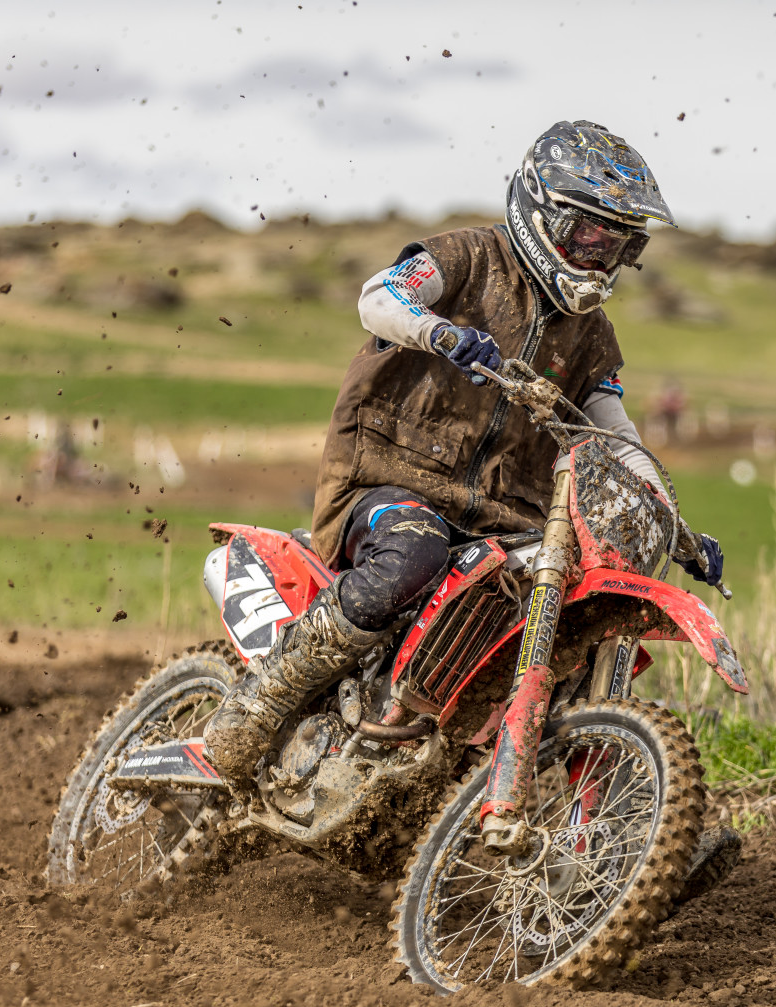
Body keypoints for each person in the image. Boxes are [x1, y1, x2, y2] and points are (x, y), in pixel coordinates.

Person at [205, 118, 725, 780]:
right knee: (414, 551)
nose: (599, 257)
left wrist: (676, 527)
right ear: (543, 212)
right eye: (588, 236)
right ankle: (260, 703)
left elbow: (614, 436)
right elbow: (379, 297)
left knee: (566, 604)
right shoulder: (469, 258)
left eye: (618, 244)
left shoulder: (592, 336)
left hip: (505, 520)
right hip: (389, 480)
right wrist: (440, 334)